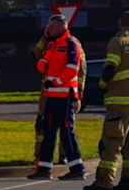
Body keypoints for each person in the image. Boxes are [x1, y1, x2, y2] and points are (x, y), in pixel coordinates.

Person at [84, 11, 129, 190]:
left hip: (119, 103)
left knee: (112, 144)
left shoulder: (118, 41)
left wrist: (103, 85)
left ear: (120, 23)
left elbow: (110, 68)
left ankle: (104, 182)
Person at [28, 14, 87, 180]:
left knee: (67, 132)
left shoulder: (71, 44)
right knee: (49, 132)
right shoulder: (51, 44)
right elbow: (41, 62)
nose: (49, 30)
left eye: (52, 27)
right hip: (51, 96)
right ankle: (44, 169)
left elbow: (72, 69)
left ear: (62, 27)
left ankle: (77, 169)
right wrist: (42, 66)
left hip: (65, 96)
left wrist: (56, 82)